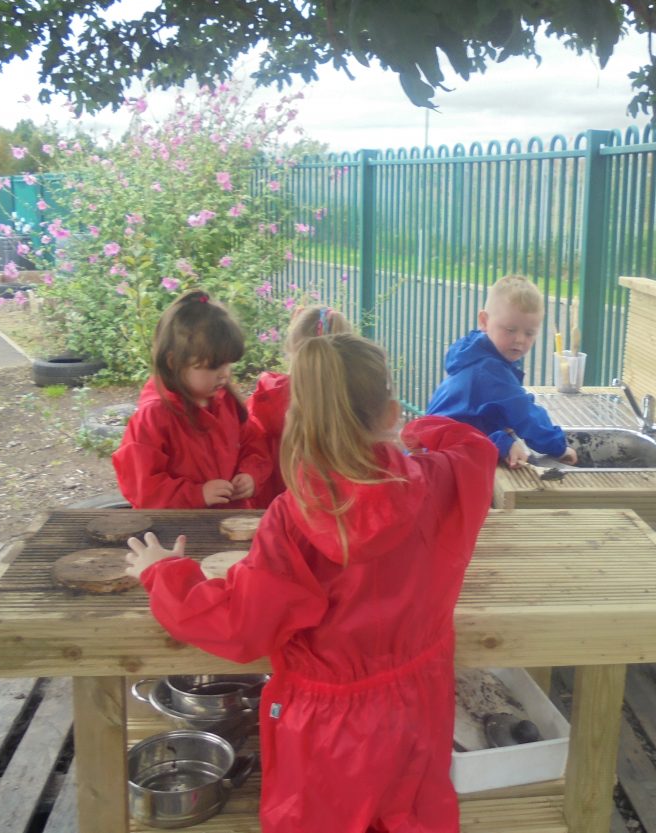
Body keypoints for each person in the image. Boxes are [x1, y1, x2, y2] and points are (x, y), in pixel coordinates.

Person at [125, 333, 498, 833]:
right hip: (418, 703)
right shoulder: (437, 480)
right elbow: (474, 448)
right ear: (390, 413)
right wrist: (417, 430)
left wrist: (164, 573)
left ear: (299, 420)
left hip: (327, 727)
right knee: (408, 816)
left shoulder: (295, 518)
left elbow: (240, 626)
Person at [113, 289, 270, 509]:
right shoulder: (154, 417)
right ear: (174, 362)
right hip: (178, 526)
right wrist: (197, 494)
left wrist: (250, 475)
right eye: (213, 366)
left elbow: (253, 445)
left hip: (230, 520)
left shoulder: (226, 401)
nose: (224, 374)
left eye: (228, 364)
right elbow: (142, 488)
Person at [426, 274, 578, 469]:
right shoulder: (489, 369)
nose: (520, 339)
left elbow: (475, 417)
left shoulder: (475, 353)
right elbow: (525, 414)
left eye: (529, 333)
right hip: (439, 460)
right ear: (484, 321)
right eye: (510, 329)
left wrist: (501, 439)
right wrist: (559, 447)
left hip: (437, 446)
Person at [247, 304, 354, 506]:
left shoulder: (270, 398)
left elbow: (250, 443)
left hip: (274, 507)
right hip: (333, 510)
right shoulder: (355, 403)